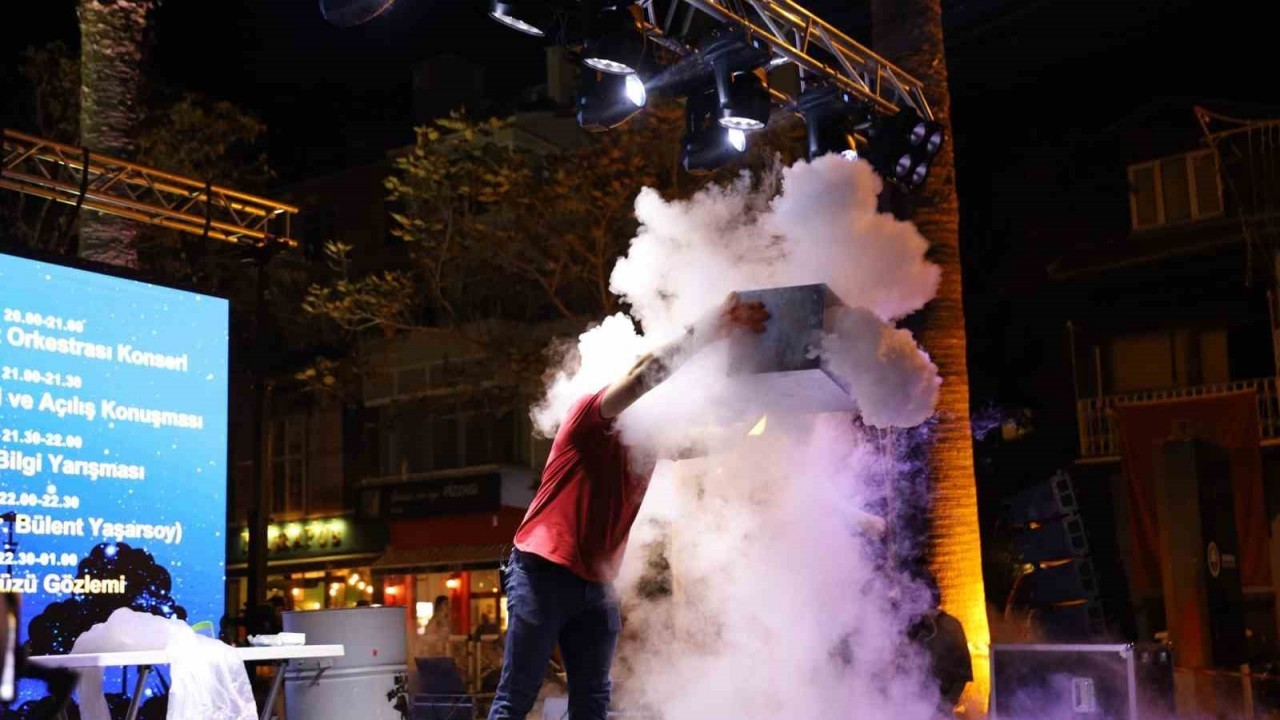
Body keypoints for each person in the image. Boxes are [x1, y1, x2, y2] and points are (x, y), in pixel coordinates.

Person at [487, 293, 769, 720]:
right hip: (542, 572)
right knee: (517, 696)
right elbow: (642, 376)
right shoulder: (587, 414)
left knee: (593, 703)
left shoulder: (647, 441)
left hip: (595, 584)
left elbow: (716, 441)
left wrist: (770, 403)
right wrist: (711, 327)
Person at [909, 575, 973, 713]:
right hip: (912, 704)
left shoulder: (951, 626)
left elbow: (962, 674)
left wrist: (945, 705)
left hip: (941, 706)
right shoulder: (913, 627)